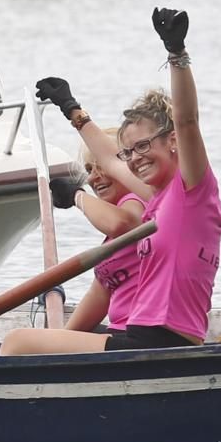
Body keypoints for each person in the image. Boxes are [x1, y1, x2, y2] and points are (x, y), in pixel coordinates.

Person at [0, 7, 221, 355]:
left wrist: (176, 54)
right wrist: (72, 109)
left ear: (172, 142)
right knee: (29, 344)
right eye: (130, 151)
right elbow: (108, 159)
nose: (135, 157)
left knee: (17, 343)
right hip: (140, 336)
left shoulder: (193, 190)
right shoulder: (158, 197)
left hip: (160, 340)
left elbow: (187, 121)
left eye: (143, 146)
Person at [48, 128, 147, 334]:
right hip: (121, 330)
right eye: (89, 169)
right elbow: (99, 294)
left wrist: (76, 196)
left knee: (17, 340)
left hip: (142, 333)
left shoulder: (138, 202)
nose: (94, 177)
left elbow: (120, 224)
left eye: (101, 166)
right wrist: (60, 340)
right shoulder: (111, 237)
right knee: (43, 341)